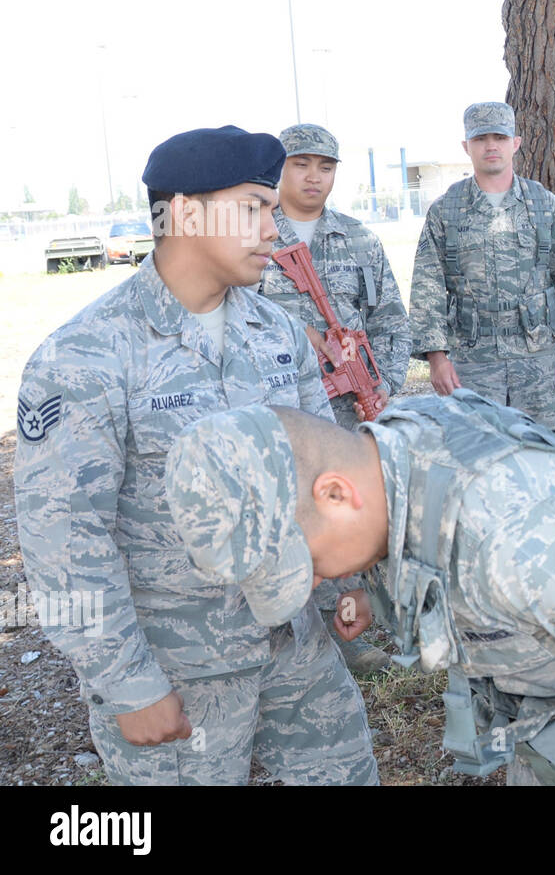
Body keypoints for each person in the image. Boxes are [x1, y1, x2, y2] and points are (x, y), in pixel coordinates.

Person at [163, 391, 555, 785]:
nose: (317, 578)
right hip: (554, 709)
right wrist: (381, 600)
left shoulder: (521, 541)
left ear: (334, 493)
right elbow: (432, 551)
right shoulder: (395, 449)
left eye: (306, 559)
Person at [14, 126, 377, 785]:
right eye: (253, 208)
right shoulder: (87, 356)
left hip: (296, 653)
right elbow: (63, 541)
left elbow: (325, 475)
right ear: (183, 213)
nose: (276, 228)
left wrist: (346, 589)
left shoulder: (276, 333)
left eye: (273, 208)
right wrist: (127, 685)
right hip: (181, 672)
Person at [261, 121, 413, 673]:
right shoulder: (254, 236)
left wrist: (382, 385)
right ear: (278, 169)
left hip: (349, 412)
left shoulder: (358, 239)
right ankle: (299, 635)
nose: (313, 177)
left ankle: (353, 625)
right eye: (301, 165)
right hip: (281, 413)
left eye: (325, 168)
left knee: (350, 515)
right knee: (287, 519)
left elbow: (394, 321)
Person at [408, 101, 555, 430]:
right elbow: (427, 285)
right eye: (481, 138)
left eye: (499, 137)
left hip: (537, 358)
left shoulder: (543, 205)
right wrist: (436, 358)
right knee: (475, 454)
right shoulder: (446, 211)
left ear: (515, 143)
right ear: (466, 146)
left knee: (543, 452)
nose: (490, 146)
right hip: (472, 362)